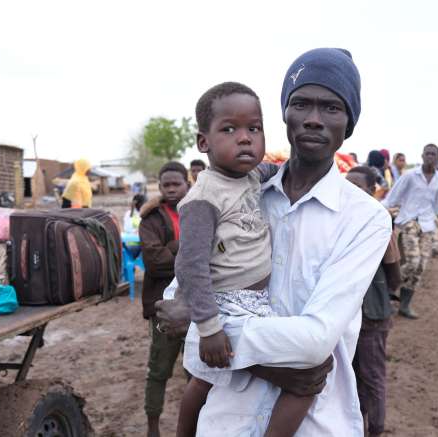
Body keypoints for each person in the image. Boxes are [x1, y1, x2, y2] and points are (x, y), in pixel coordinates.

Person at [155, 47, 391, 436]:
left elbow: (316, 340)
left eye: (331, 108)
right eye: (301, 104)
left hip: (315, 422)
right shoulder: (242, 193)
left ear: (349, 123)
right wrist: (205, 329)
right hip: (226, 418)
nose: (313, 119)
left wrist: (202, 328)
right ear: (284, 114)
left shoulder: (366, 219)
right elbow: (176, 298)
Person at [175, 81, 309, 437]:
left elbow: (278, 169)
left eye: (254, 128)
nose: (246, 138)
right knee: (305, 377)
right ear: (203, 142)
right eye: (229, 129)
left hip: (254, 301)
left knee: (210, 381)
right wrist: (210, 329)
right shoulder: (203, 198)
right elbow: (191, 268)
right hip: (227, 306)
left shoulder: (251, 176)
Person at [346, 166, 401, 437]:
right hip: (347, 316)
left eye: (357, 186)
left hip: (371, 316)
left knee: (373, 379)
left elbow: (394, 277)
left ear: (371, 191)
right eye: (347, 185)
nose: (349, 191)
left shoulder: (380, 223)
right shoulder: (339, 221)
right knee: (353, 378)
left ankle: (375, 431)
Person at [138, 161, 190, 437]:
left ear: (187, 183)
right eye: (165, 185)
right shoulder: (151, 219)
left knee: (198, 371)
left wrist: (171, 250)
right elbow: (154, 263)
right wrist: (187, 249)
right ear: (159, 187)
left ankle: (201, 425)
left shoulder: (201, 210)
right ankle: (153, 427)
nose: (171, 189)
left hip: (198, 304)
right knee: (159, 369)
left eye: (176, 184)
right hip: (163, 307)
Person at [382, 144, 438, 319]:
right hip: (409, 222)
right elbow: (391, 198)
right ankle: (386, 290)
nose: (430, 156)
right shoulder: (410, 176)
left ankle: (405, 305)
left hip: (428, 226)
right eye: (427, 153)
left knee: (421, 267)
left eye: (434, 154)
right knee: (413, 261)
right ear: (422, 156)